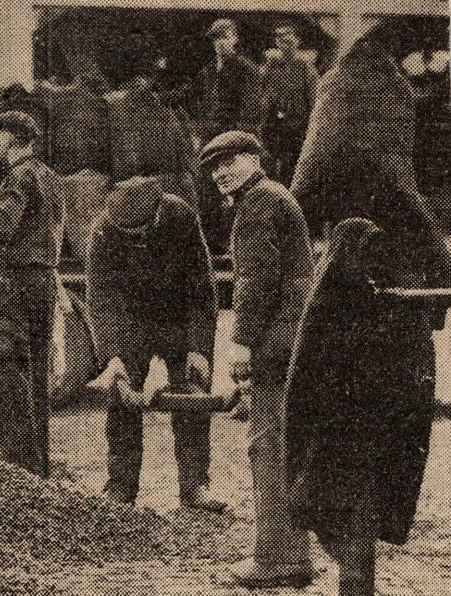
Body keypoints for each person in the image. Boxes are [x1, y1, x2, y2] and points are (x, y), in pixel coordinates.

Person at [287, 30, 451, 595]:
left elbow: (310, 185)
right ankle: (356, 577)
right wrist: (442, 259)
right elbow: (395, 181)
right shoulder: (384, 91)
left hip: (341, 275)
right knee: (371, 438)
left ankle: (351, 568)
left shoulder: (339, 86)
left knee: (337, 438)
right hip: (378, 286)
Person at [198, 131, 314, 588]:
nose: (221, 172)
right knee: (283, 446)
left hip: (274, 343)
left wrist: (241, 342)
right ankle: (294, 555)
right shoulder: (271, 196)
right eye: (213, 167)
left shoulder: (259, 204)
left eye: (230, 162)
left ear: (254, 158)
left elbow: (256, 281)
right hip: (291, 339)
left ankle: (273, 560)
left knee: (267, 447)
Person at [85, 170, 225, 512]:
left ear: (156, 214)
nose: (135, 239)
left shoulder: (180, 217)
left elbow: (201, 286)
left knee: (191, 395)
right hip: (133, 322)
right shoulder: (103, 231)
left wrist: (198, 348)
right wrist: (112, 356)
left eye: (141, 233)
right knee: (121, 396)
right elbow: (101, 299)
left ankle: (195, 486)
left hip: (178, 318)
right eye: (128, 235)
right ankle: (120, 486)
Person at [0, 111, 63, 478]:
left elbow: (3, 226)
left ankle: (19, 468)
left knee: (7, 367)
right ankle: (39, 468)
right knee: (36, 370)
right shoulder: (51, 178)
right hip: (44, 280)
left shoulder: (17, 177)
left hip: (14, 282)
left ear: (13, 139)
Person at [190, 19, 261, 254]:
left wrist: (238, 142)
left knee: (237, 192)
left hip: (232, 144)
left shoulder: (245, 70)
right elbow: (194, 100)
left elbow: (250, 110)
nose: (221, 43)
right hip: (210, 144)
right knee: (208, 191)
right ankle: (212, 244)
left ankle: (239, 243)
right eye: (216, 39)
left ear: (235, 39)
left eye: (225, 37)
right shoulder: (208, 72)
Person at [259, 21, 319, 186]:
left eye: (289, 41)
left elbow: (313, 100)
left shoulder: (305, 68)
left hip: (297, 127)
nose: (285, 45)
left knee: (291, 168)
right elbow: (261, 92)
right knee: (268, 165)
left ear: (297, 42)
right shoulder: (271, 67)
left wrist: (309, 127)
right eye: (281, 42)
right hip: (273, 126)